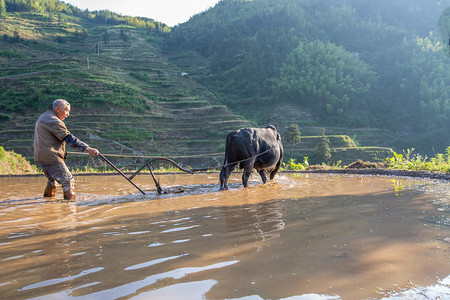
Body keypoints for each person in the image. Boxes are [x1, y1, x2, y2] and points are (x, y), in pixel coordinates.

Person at [34, 99, 99, 200]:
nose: (68, 114)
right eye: (66, 110)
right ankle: (70, 208)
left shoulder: (44, 116)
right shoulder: (53, 120)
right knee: (68, 181)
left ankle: (48, 203)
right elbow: (68, 138)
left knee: (52, 181)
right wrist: (87, 148)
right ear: (58, 109)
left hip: (42, 156)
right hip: (51, 157)